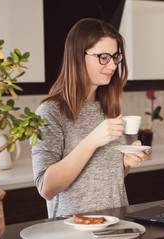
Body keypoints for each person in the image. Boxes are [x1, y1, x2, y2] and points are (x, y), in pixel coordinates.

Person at [32, 18, 149, 218]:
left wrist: (127, 162)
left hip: (116, 225)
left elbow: (106, 174)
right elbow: (47, 188)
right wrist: (92, 141)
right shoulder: (50, 112)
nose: (112, 65)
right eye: (103, 57)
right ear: (78, 56)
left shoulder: (107, 106)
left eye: (115, 57)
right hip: (73, 231)